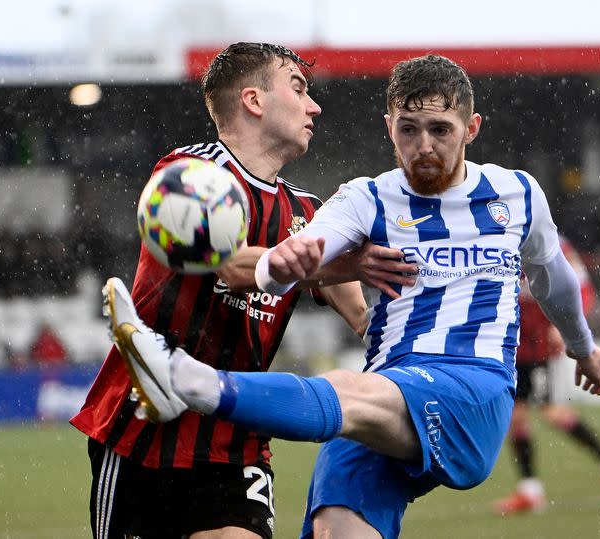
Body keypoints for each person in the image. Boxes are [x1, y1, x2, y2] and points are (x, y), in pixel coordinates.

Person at [104, 54, 600, 539]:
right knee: (335, 523)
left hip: (470, 388)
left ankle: (182, 379)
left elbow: (554, 278)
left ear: (472, 128)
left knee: (346, 390)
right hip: (384, 392)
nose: (424, 146)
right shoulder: (364, 197)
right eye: (408, 130)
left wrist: (583, 347)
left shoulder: (518, 193)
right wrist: (279, 266)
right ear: (388, 126)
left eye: (441, 130)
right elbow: (301, 251)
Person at [70, 42, 413, 539]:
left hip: (236, 437)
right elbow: (229, 265)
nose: (314, 105)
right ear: (254, 100)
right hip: (142, 431)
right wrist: (333, 262)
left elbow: (364, 318)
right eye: (298, 89)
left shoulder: (307, 213)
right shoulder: (190, 172)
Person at [492, 235, 600, 515]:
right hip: (513, 343)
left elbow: (580, 287)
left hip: (539, 345)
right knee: (516, 414)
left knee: (550, 411)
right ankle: (531, 491)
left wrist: (564, 324)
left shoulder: (553, 242)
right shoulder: (497, 236)